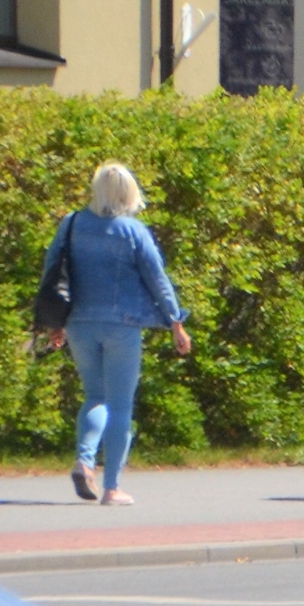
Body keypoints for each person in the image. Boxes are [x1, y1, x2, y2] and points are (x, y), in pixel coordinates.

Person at [39, 162, 193, 506]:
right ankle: (111, 487)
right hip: (123, 325)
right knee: (120, 404)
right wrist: (175, 322)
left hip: (79, 322)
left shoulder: (72, 224)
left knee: (95, 396)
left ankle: (84, 459)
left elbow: (53, 272)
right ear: (129, 193)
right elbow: (158, 279)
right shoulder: (133, 231)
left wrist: (55, 323)